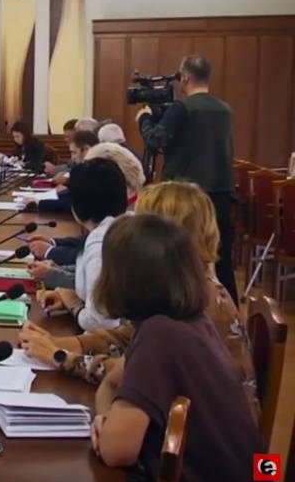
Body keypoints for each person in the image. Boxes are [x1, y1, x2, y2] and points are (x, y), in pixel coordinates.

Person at [20, 183, 258, 414]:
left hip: (198, 430)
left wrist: (61, 357)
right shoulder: (184, 283)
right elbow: (126, 337)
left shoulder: (194, 301)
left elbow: (134, 374)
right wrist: (55, 343)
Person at [87, 214, 262, 482]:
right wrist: (106, 419)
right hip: (254, 475)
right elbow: (110, 383)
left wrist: (107, 425)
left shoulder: (159, 335)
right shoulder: (189, 321)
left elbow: (117, 451)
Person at [137, 54, 237, 302]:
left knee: (180, 258)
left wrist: (145, 119)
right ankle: (229, 312)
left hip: (186, 197)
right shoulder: (225, 109)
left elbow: (155, 141)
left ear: (185, 78)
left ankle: (183, 305)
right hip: (221, 192)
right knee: (221, 259)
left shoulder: (182, 108)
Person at [38, 158, 126, 332]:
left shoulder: (101, 242)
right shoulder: (122, 226)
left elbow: (101, 322)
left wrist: (74, 305)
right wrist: (67, 295)